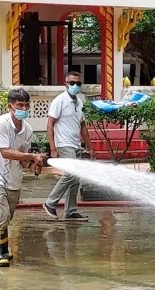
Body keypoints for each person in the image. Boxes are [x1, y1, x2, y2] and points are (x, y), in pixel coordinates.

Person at [0, 89, 46, 267]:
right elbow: (5, 152)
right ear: (10, 106)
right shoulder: (0, 124)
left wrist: (34, 164)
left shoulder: (27, 130)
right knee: (2, 215)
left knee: (4, 216)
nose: (24, 109)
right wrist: (31, 157)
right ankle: (2, 253)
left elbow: (23, 157)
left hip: (14, 178)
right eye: (19, 106)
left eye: (26, 105)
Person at [41, 71, 93, 221]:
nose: (75, 86)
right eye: (72, 83)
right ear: (66, 84)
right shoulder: (59, 101)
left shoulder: (80, 102)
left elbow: (83, 126)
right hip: (64, 144)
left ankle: (71, 211)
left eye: (78, 83)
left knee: (76, 178)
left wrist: (89, 147)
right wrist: (53, 148)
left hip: (76, 144)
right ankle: (50, 202)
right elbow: (50, 125)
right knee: (71, 174)